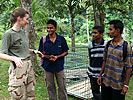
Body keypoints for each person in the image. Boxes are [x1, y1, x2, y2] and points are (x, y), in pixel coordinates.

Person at [0, 8, 43, 100]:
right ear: (19, 18)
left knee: (30, 94)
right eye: (26, 19)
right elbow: (1, 54)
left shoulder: (23, 32)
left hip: (28, 66)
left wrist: (33, 51)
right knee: (18, 95)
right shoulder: (8, 34)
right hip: (18, 68)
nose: (27, 22)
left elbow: (21, 48)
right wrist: (14, 59)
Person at [97, 20, 132, 100]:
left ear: (117, 30)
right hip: (106, 82)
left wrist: (126, 85)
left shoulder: (126, 47)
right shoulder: (108, 44)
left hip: (118, 85)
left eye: (110, 29)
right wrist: (100, 75)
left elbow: (129, 68)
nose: (108, 32)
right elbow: (104, 61)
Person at [38, 19, 69, 100]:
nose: (49, 30)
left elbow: (66, 52)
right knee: (50, 88)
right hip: (47, 68)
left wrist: (57, 57)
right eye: (47, 28)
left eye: (51, 28)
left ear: (55, 28)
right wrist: (48, 57)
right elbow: (40, 54)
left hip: (59, 68)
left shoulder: (61, 39)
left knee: (62, 87)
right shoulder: (43, 40)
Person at [88, 26, 106, 100]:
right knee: (95, 92)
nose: (93, 35)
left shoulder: (106, 45)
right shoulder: (90, 45)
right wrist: (89, 70)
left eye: (95, 33)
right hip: (92, 73)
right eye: (92, 33)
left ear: (101, 34)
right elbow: (90, 57)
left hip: (103, 74)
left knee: (105, 93)